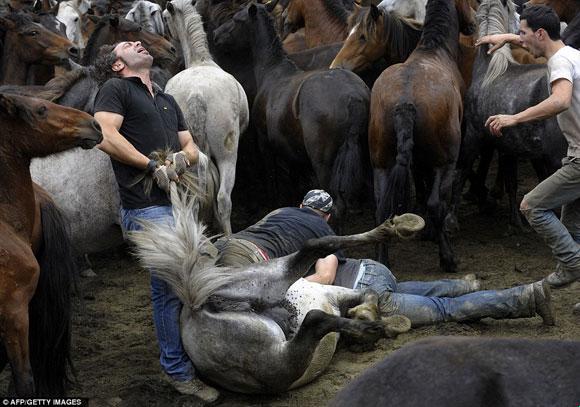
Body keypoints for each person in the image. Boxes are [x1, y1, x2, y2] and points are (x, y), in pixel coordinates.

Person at [92, 41, 219, 403]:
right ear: (118, 65)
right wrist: (149, 166)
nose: (138, 43)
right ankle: (177, 372)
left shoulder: (166, 98)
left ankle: (198, 354)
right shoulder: (114, 89)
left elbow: (191, 145)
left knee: (197, 275)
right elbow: (105, 136)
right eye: (128, 44)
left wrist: (181, 160)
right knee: (168, 289)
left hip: (179, 206)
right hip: (145, 207)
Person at [476, 5, 580, 288]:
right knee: (572, 228)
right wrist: (507, 39)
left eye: (523, 33)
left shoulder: (559, 62)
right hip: (575, 154)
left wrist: (514, 118)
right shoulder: (572, 54)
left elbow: (560, 100)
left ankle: (572, 265)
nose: (520, 38)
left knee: (532, 206)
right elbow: (531, 38)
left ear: (541, 33)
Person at [315, 257, 555, 326]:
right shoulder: (312, 231)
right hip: (372, 269)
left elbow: (325, 276)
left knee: (446, 310)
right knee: (402, 291)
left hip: (364, 291)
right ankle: (465, 286)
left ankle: (527, 297)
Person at [216, 189, 340, 284]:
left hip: (221, 244)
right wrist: (286, 287)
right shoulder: (325, 230)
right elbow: (325, 276)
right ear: (328, 217)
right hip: (248, 255)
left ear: (301, 206)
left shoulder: (281, 211)